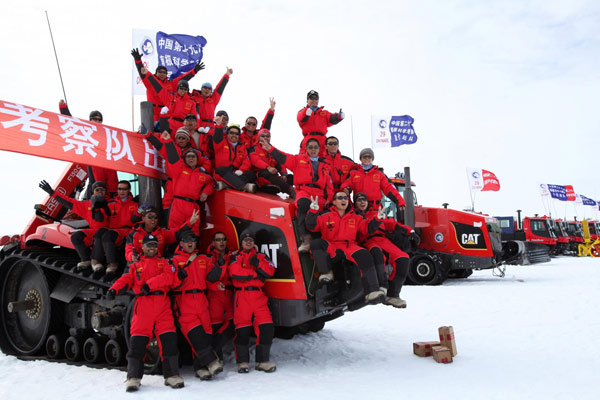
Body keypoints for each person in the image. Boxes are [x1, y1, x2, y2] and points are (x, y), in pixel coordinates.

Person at [107, 234, 184, 391]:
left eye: (155, 245)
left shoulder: (165, 263)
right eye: (149, 245)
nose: (152, 248)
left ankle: (172, 375)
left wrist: (149, 284)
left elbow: (169, 277)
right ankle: (133, 377)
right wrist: (113, 289)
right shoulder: (135, 266)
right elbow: (126, 279)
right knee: (138, 343)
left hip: (162, 305)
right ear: (143, 247)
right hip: (143, 306)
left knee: (169, 341)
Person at [305, 191, 386, 304]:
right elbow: (311, 226)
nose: (344, 200)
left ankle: (372, 291)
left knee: (365, 255)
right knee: (316, 244)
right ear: (334, 201)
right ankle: (326, 274)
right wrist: (313, 211)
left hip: (349, 246)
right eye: (340, 198)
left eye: (346, 198)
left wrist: (378, 219)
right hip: (331, 246)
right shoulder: (325, 215)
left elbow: (367, 229)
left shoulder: (355, 217)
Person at [169, 232, 224, 380]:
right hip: (184, 300)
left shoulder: (203, 259)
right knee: (195, 334)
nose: (190, 243)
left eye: (192, 241)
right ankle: (211, 362)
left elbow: (210, 280)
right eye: (186, 241)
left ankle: (200, 368)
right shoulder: (174, 261)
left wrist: (218, 276)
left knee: (206, 334)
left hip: (201, 300)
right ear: (181, 243)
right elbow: (171, 284)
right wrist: (178, 278)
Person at [261, 138, 333, 251]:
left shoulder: (325, 164)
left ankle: (324, 244)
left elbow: (329, 183)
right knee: (303, 204)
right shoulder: (298, 159)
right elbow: (282, 157)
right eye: (310, 147)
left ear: (319, 149)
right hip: (304, 190)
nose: (313, 149)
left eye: (315, 147)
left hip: (319, 194)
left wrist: (329, 197)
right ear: (306, 149)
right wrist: (270, 149)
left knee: (323, 215)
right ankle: (305, 238)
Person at [39, 180, 115, 273]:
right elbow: (68, 202)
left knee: (100, 233)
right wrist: (52, 192)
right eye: (97, 189)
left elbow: (102, 218)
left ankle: (97, 261)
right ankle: (86, 259)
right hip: (94, 231)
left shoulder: (112, 204)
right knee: (76, 236)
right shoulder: (86, 205)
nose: (100, 191)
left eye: (102, 189)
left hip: (109, 232)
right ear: (92, 192)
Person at [354, 192, 414, 308]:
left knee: (403, 258)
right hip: (368, 241)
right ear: (355, 203)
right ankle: (381, 287)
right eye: (359, 200)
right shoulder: (354, 216)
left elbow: (391, 224)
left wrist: (409, 231)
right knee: (377, 253)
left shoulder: (375, 213)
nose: (362, 202)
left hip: (383, 240)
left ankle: (393, 294)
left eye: (364, 200)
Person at [228, 232, 277, 373]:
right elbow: (235, 272)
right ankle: (242, 362)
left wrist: (259, 265)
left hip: (258, 295)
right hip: (241, 296)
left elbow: (270, 270)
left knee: (266, 327)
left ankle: (262, 361)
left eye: (250, 240)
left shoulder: (261, 256)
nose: (248, 242)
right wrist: (256, 274)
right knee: (242, 330)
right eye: (245, 240)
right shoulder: (235, 257)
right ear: (241, 242)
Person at [141, 124, 210, 218]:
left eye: (183, 138)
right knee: (168, 207)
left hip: (187, 182)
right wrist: (147, 134)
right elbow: (158, 144)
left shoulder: (193, 152)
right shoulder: (171, 148)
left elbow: (206, 161)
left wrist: (203, 169)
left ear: (188, 139)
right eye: (179, 138)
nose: (181, 140)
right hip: (172, 182)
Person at [58, 100, 118, 197]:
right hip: (94, 164)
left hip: (108, 164)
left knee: (112, 188)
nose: (98, 121)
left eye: (100, 120)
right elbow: (71, 124)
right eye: (95, 119)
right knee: (98, 187)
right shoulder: (86, 133)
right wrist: (63, 107)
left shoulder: (107, 133)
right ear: (90, 120)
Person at [131, 48, 203, 126]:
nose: (162, 74)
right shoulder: (151, 81)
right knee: (152, 131)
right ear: (156, 73)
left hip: (167, 112)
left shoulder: (171, 84)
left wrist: (194, 71)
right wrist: (138, 61)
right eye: (160, 72)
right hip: (152, 112)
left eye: (164, 72)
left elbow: (183, 79)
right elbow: (142, 72)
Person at [164, 132, 215, 234]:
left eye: (193, 156)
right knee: (174, 232)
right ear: (185, 159)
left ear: (197, 160)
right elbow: (173, 158)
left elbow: (211, 183)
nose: (191, 158)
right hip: (178, 205)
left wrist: (205, 192)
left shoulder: (202, 174)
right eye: (188, 156)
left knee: (193, 232)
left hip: (192, 206)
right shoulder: (179, 169)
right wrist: (168, 141)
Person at [91, 180, 139, 279]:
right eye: (119, 189)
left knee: (108, 235)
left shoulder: (134, 204)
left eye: (124, 189)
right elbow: (100, 218)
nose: (121, 191)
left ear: (129, 190)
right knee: (100, 232)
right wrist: (96, 209)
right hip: (113, 230)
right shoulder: (111, 203)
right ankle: (96, 262)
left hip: (127, 231)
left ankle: (113, 264)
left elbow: (137, 221)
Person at [125, 207, 198, 262]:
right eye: (150, 217)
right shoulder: (134, 233)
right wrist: (132, 256)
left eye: (155, 217)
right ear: (143, 218)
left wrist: (190, 223)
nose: (153, 219)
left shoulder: (162, 232)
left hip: (158, 264)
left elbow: (177, 233)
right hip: (139, 263)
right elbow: (129, 249)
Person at [341, 148, 406, 210]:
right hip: (359, 210)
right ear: (360, 159)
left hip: (375, 210)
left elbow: (389, 188)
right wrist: (346, 189)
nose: (367, 158)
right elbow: (346, 184)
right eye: (364, 157)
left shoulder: (379, 174)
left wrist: (401, 202)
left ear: (372, 159)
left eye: (369, 157)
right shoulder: (354, 173)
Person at [206, 232, 234, 363]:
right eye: (218, 240)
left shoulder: (232, 255)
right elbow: (207, 278)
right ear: (213, 242)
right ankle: (217, 357)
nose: (221, 242)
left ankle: (215, 349)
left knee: (232, 323)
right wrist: (215, 286)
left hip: (229, 295)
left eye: (223, 239)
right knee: (215, 325)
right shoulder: (208, 258)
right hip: (215, 295)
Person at [211, 116, 257, 193]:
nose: (234, 135)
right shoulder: (221, 143)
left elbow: (247, 161)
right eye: (231, 133)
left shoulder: (242, 147)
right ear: (227, 134)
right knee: (221, 170)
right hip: (223, 173)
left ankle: (227, 185)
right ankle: (244, 186)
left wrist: (241, 170)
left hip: (235, 173)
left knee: (251, 174)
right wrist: (218, 125)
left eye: (236, 134)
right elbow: (217, 137)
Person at [297, 90, 344, 156]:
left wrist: (339, 116)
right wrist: (307, 112)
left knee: (325, 159)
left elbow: (331, 118)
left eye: (316, 98)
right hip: (308, 139)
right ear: (307, 100)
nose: (314, 100)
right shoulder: (302, 111)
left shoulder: (324, 113)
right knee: (305, 159)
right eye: (311, 98)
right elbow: (301, 119)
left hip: (322, 140)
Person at [249, 129, 294, 197]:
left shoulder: (272, 149)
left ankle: (275, 186)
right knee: (268, 173)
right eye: (263, 136)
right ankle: (290, 191)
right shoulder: (253, 148)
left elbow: (279, 162)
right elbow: (256, 160)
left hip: (273, 175)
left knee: (291, 177)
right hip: (260, 176)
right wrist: (268, 167)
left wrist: (284, 174)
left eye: (267, 136)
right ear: (259, 137)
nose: (265, 138)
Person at [191, 67, 233, 133]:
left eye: (209, 89)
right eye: (205, 88)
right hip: (197, 126)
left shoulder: (213, 99)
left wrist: (227, 75)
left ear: (211, 91)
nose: (207, 90)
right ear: (201, 89)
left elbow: (220, 87)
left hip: (210, 127)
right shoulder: (193, 98)